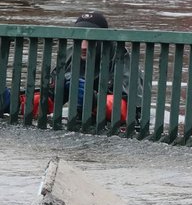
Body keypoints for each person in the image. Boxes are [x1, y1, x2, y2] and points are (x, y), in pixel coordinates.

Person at [2, 11, 139, 124]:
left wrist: (94, 100)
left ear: (104, 40)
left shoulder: (121, 58)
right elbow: (49, 98)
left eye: (91, 40)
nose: (84, 46)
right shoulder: (68, 56)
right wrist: (13, 102)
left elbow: (128, 109)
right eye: (79, 39)